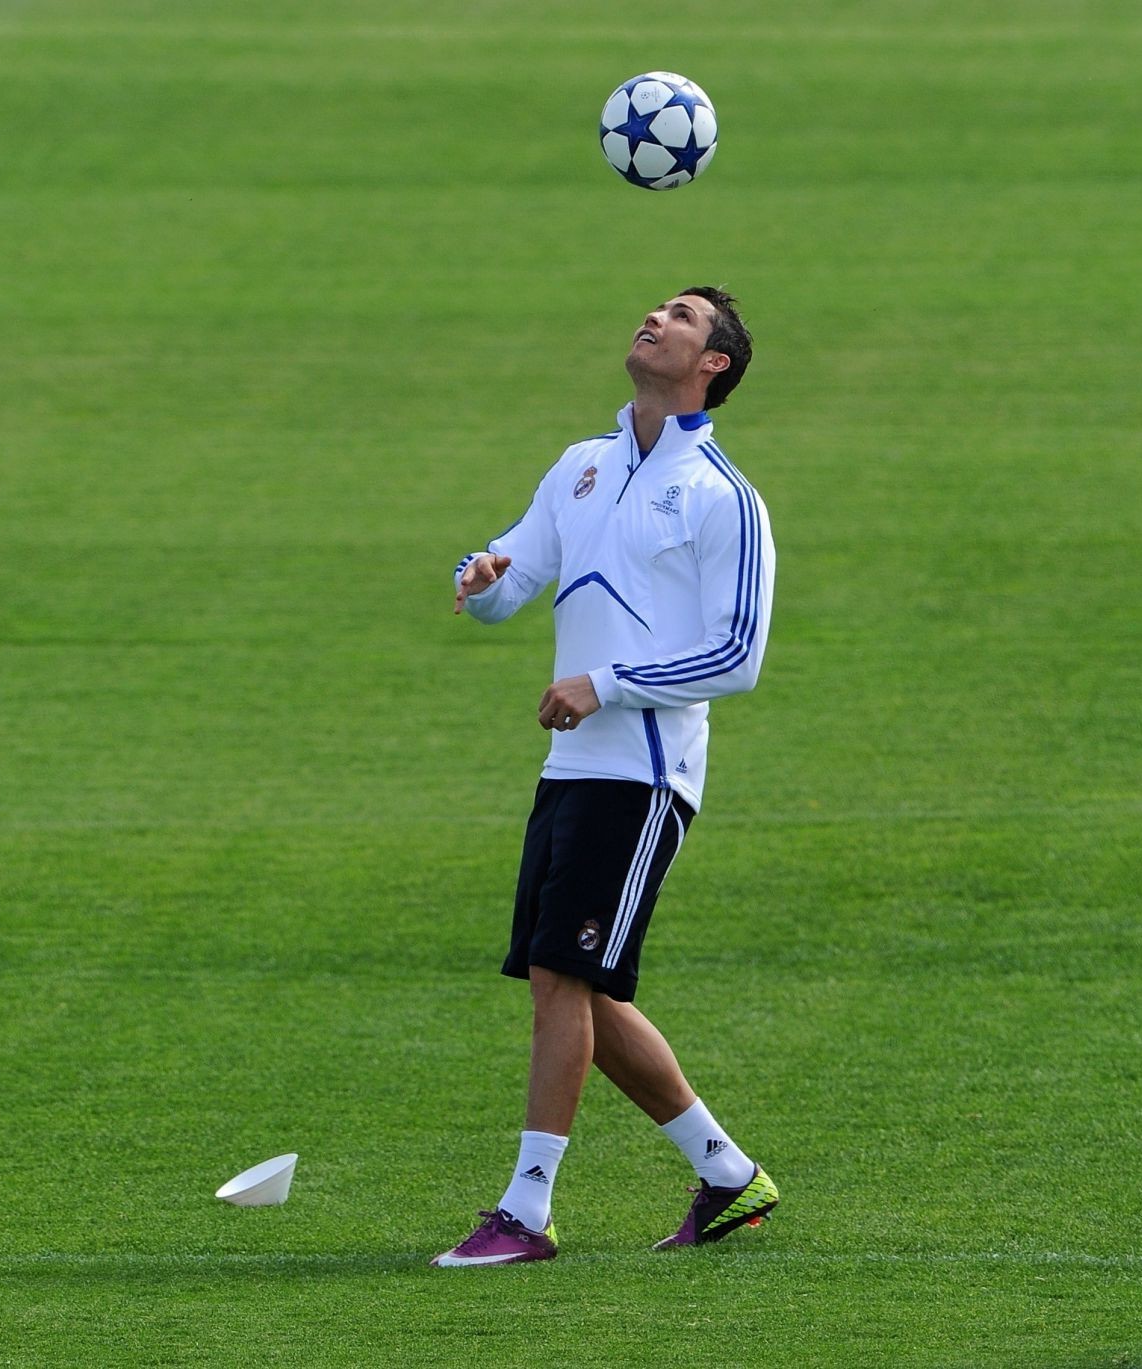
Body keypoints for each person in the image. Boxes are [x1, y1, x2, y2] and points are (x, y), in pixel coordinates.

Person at [432, 287, 779, 1267]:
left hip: (646, 770)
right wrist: (483, 578)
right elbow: (514, 573)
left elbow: (739, 655)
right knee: (579, 980)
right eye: (653, 309)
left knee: (561, 974)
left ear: (714, 364)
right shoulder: (580, 466)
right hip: (572, 763)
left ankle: (526, 1212)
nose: (654, 319)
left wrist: (605, 682)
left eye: (680, 316)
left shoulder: (723, 497)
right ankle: (728, 1174)